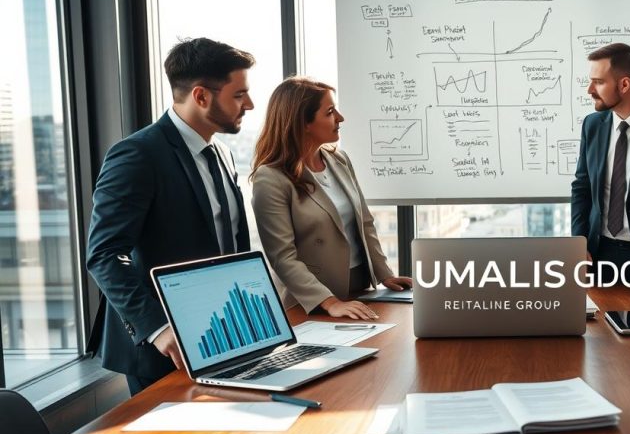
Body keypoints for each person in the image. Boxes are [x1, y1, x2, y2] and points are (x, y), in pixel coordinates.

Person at [86, 38, 255, 395]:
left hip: (224, 331)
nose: (249, 105)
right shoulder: (137, 155)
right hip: (166, 346)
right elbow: (103, 255)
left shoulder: (222, 152)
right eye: (239, 95)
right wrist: (158, 328)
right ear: (201, 96)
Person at [251, 76, 410, 321]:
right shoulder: (271, 178)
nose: (340, 118)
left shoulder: (339, 160)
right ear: (303, 122)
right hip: (312, 303)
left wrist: (384, 274)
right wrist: (329, 302)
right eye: (330, 112)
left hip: (360, 291)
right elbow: (282, 257)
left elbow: (365, 223)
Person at [570, 43, 630, 280]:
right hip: (599, 254)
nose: (590, 89)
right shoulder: (592, 125)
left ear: (624, 84)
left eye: (598, 82)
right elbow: (581, 188)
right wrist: (578, 243)